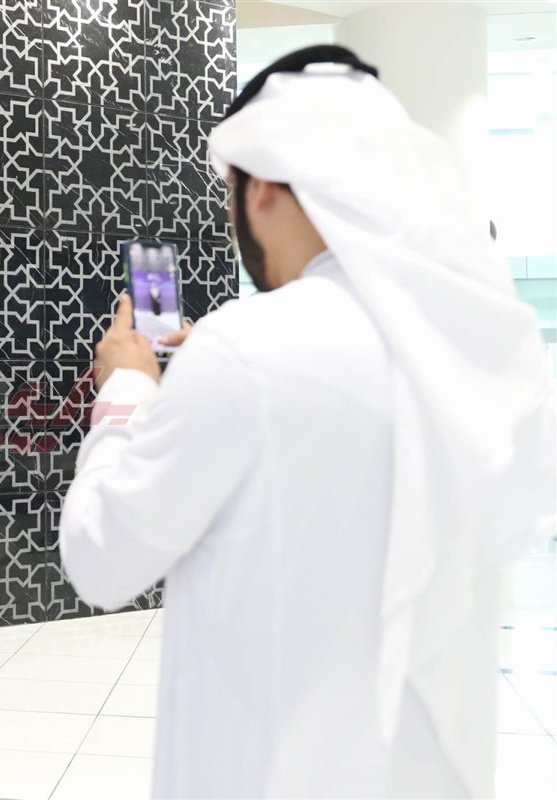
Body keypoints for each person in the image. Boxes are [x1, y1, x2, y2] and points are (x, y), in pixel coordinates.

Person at [59, 46, 555, 798]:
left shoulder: (245, 351)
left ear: (259, 187)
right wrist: (216, 371)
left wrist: (127, 388)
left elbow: (102, 559)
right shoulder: (481, 353)